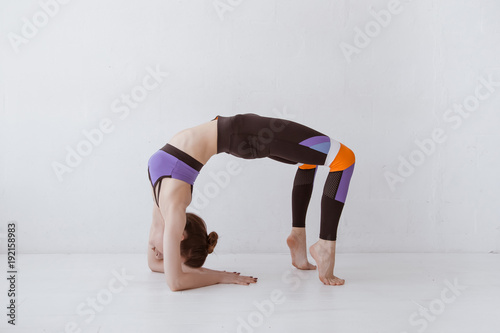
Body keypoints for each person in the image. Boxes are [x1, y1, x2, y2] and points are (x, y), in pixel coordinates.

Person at [147, 113, 355, 291]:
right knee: (332, 159)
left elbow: (170, 278)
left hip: (244, 133)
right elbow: (163, 270)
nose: (160, 254)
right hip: (242, 135)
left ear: (179, 236)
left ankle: (311, 243)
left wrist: (215, 275)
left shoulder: (171, 212)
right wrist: (218, 275)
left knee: (333, 159)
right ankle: (312, 243)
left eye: (169, 251)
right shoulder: (167, 207)